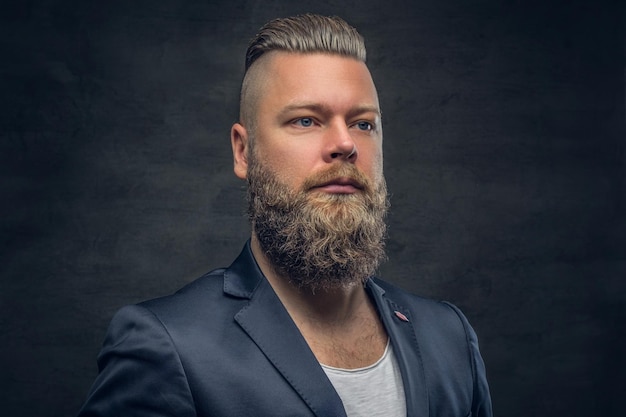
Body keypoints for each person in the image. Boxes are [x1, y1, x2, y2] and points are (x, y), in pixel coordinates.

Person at [78, 14, 492, 417]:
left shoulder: (449, 336)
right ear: (243, 151)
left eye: (363, 124)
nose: (345, 143)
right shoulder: (168, 345)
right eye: (306, 120)